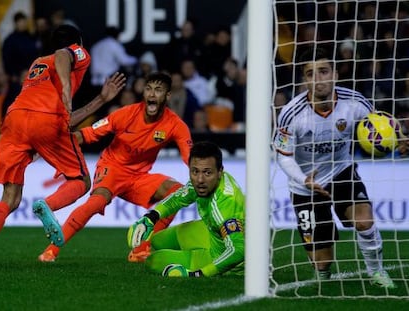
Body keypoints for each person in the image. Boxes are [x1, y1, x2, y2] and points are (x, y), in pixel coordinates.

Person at [273, 47, 396, 288]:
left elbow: (377, 134)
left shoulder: (356, 102)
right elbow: (284, 156)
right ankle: (322, 279)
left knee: (364, 221)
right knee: (322, 263)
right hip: (305, 185)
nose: (318, 79)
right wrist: (304, 179)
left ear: (335, 74)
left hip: (341, 171)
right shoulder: (290, 114)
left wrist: (396, 142)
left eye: (324, 71)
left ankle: (378, 273)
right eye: (311, 74)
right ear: (304, 79)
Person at [38, 72, 193, 263]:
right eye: (148, 89)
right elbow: (87, 134)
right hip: (111, 168)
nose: (152, 95)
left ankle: (142, 248)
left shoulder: (176, 125)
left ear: (167, 96)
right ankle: (51, 251)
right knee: (95, 203)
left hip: (139, 177)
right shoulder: (126, 114)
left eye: (158, 90)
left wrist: (201, 174)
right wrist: (57, 150)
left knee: (177, 192)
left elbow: (190, 157)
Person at [0, 24, 126, 246]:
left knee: (11, 199)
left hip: (14, 120)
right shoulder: (77, 53)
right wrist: (66, 86)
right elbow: (63, 54)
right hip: (43, 121)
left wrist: (102, 100)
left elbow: (65, 121)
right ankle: (49, 205)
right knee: (81, 181)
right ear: (79, 43)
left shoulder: (37, 64)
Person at [127, 141, 245, 277]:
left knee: (153, 262)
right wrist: (150, 217)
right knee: (157, 240)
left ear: (220, 172)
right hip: (212, 233)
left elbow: (239, 251)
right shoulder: (205, 182)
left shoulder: (225, 205)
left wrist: (200, 274)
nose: (200, 179)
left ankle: (198, 263)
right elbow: (177, 198)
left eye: (207, 173)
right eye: (195, 171)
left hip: (224, 258)